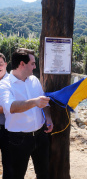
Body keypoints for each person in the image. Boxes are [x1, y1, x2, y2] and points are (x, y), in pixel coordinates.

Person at [0, 48, 53, 179]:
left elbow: (44, 102)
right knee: (15, 176)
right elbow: (11, 107)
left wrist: (49, 118)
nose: (35, 66)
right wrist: (34, 102)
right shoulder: (4, 85)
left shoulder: (34, 80)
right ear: (22, 64)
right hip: (18, 139)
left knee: (44, 173)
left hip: (41, 136)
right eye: (33, 63)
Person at [0, 53, 11, 178]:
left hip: (8, 129)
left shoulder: (12, 81)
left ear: (6, 64)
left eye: (0, 64)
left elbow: (10, 107)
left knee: (9, 165)